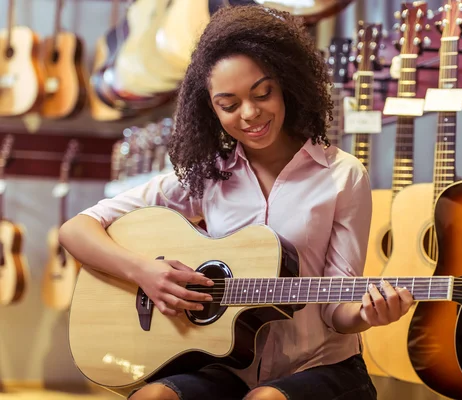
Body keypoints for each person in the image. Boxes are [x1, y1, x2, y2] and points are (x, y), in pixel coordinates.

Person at [59, 5, 413, 400]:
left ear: (288, 86)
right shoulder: (204, 175)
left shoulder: (343, 175)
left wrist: (368, 313)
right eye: (228, 105)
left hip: (320, 366)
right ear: (208, 108)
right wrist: (145, 272)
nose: (250, 114)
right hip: (229, 365)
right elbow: (75, 230)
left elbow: (336, 311)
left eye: (263, 94)